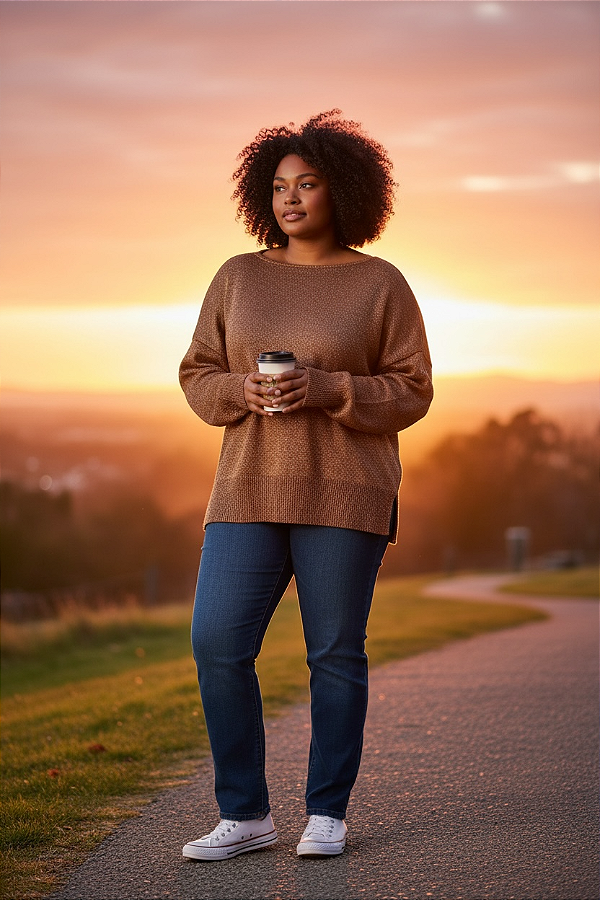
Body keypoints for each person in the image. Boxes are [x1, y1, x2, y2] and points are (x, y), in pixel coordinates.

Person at [179, 110, 433, 861]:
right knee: (216, 642)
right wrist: (240, 394)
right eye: (280, 186)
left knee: (334, 653)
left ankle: (326, 812)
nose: (291, 199)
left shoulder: (380, 284)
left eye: (309, 183)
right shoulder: (238, 276)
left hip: (345, 492)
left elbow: (413, 390)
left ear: (343, 191)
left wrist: (328, 388)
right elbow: (197, 374)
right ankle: (246, 814)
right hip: (247, 489)